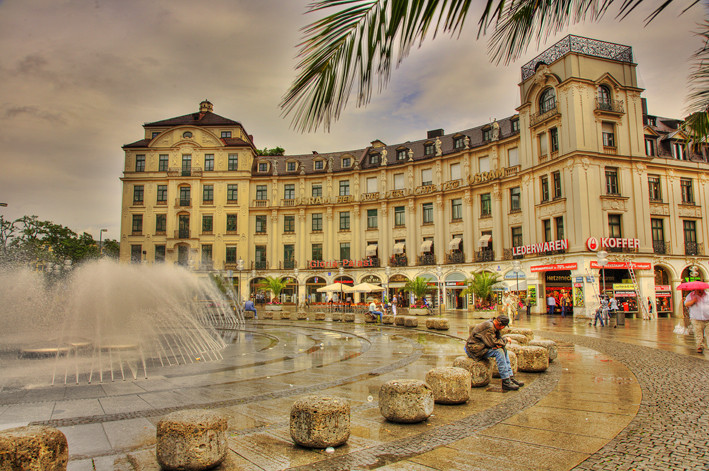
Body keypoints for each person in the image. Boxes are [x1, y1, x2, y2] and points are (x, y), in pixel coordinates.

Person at [465, 315, 524, 391]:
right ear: (501, 325)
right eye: (504, 326)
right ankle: (505, 381)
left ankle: (510, 377)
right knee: (499, 351)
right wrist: (505, 340)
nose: (503, 328)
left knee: (503, 349)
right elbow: (493, 343)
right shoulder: (489, 327)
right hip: (475, 350)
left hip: (483, 347)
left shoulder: (493, 325)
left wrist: (499, 343)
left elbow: (496, 340)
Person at [684, 288, 709, 353]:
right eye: (698, 290)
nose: (700, 291)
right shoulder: (691, 295)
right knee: (698, 333)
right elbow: (686, 304)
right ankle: (699, 346)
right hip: (696, 318)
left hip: (708, 318)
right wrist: (693, 301)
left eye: (701, 290)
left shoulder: (708, 295)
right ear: (695, 290)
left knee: (708, 333)